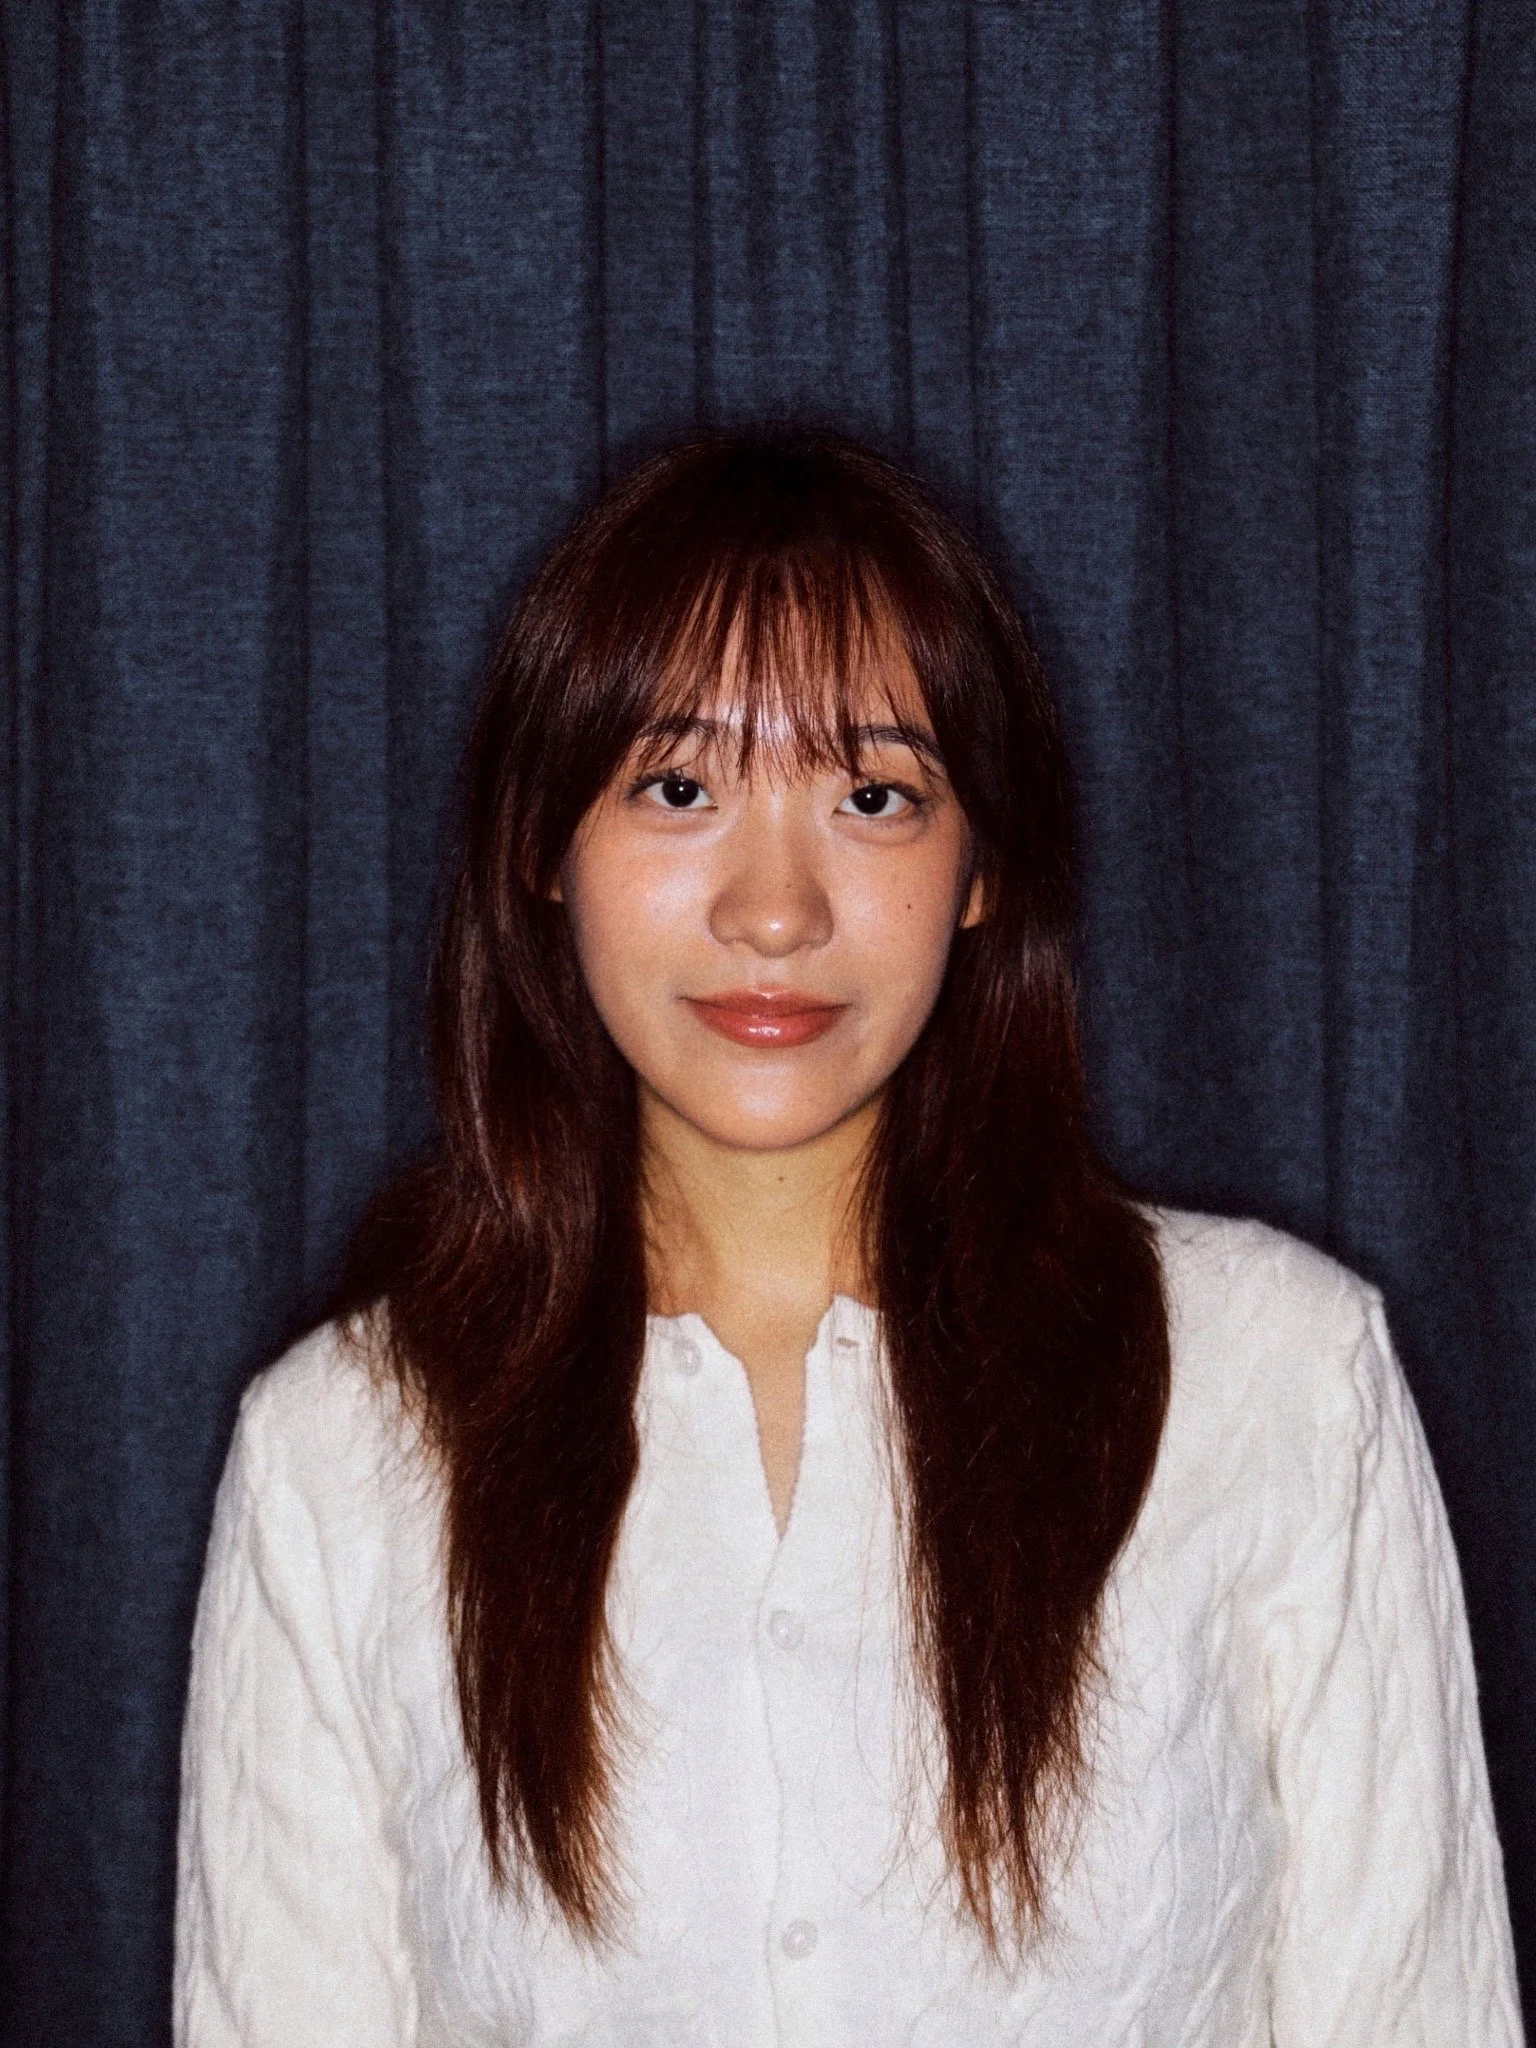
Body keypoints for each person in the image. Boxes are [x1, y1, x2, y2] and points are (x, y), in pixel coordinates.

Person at [174, 431, 1521, 2046]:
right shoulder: (342, 1453)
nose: (775, 909)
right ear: (541, 847)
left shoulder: (1278, 1380)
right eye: (679, 788)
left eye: (873, 796)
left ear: (981, 867)